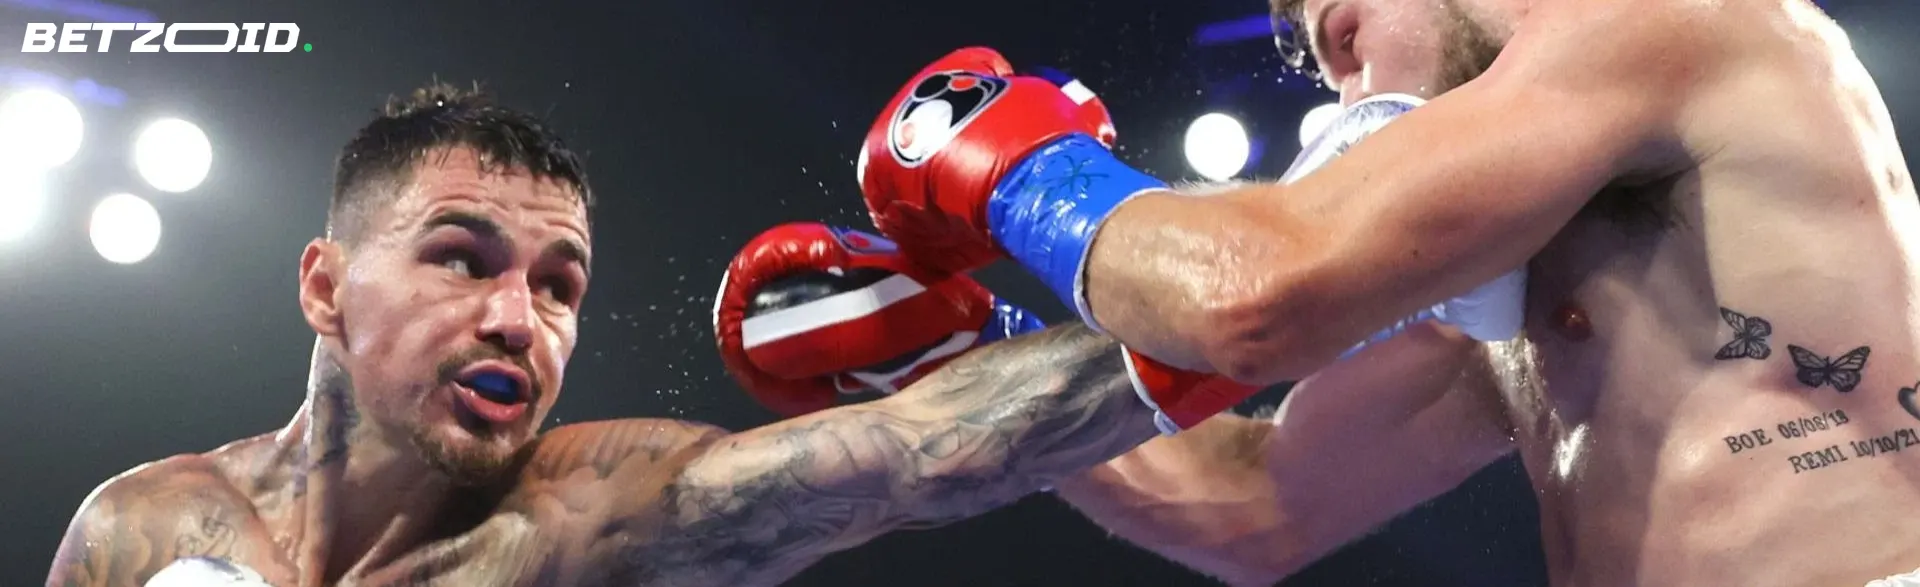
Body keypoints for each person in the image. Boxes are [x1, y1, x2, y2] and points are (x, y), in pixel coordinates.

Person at [843, 0, 1920, 584]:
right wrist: (965, 345)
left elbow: (1255, 295)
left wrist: (1025, 173)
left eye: (1343, 45)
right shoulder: (1508, 270)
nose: (1347, 98)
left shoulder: (1664, 19)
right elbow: (1256, 504)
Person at [43, 83, 1264, 587]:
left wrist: (1270, 265)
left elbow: (920, 449)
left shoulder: (584, 522)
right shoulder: (142, 527)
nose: (517, 318)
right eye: (461, 257)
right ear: (325, 287)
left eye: (559, 284)